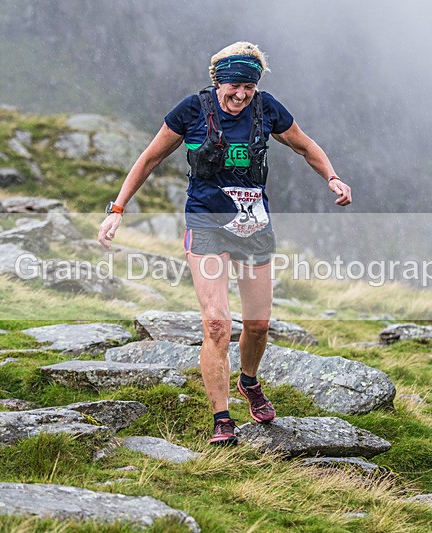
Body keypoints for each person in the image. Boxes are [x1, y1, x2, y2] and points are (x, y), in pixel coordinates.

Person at [98, 41, 351, 445]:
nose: (241, 95)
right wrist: (117, 209)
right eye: (235, 86)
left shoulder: (267, 109)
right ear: (218, 81)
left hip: (254, 227)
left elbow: (304, 145)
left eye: (249, 87)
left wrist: (332, 177)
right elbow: (149, 159)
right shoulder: (192, 110)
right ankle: (222, 420)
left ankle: (249, 381)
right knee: (216, 323)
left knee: (258, 325)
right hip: (207, 223)